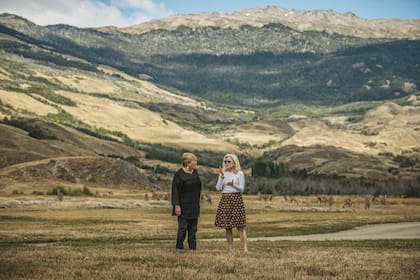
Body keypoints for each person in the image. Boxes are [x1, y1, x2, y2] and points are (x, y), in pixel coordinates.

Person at [214, 153, 248, 252]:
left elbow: (242, 189)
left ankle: (245, 249)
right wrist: (222, 176)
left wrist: (234, 185)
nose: (226, 163)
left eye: (229, 161)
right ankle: (230, 249)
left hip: (236, 198)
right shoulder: (223, 173)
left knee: (240, 226)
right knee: (227, 226)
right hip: (225, 199)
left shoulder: (239, 173)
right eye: (225, 161)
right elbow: (218, 188)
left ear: (234, 162)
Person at [171, 152, 202, 250]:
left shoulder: (195, 172)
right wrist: (177, 205)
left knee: (193, 228)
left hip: (194, 205)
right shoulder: (179, 175)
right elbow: (175, 191)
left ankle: (193, 247)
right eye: (194, 161)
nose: (196, 163)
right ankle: (179, 246)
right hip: (183, 205)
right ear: (188, 163)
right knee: (183, 228)